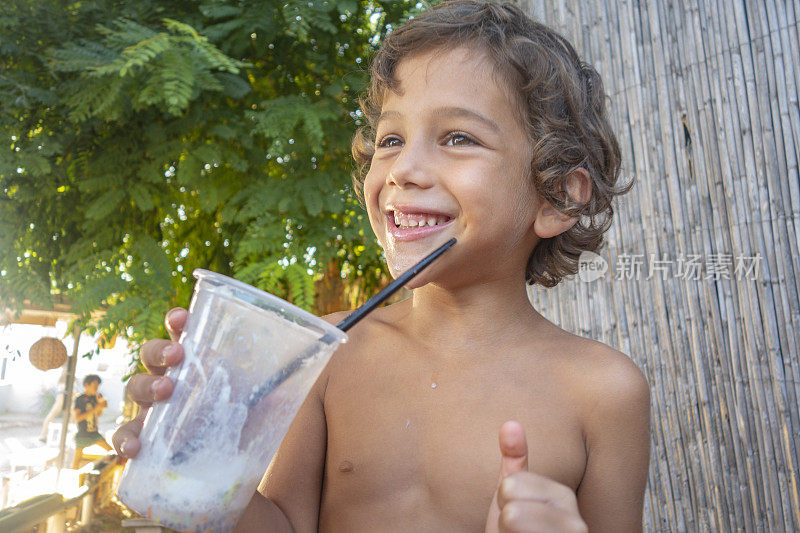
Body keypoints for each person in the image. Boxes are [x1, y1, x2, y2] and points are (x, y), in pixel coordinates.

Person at [113, 1, 651, 531]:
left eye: (458, 138)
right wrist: (188, 460)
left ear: (557, 197)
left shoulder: (603, 391)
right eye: (390, 140)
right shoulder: (326, 353)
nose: (404, 169)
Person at [72, 374, 112, 468]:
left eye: (98, 386)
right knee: (76, 463)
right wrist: (95, 409)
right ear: (86, 385)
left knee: (112, 452)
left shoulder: (96, 397)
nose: (96, 388)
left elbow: (99, 415)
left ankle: (102, 468)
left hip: (94, 433)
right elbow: (78, 418)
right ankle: (72, 478)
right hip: (82, 434)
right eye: (94, 385)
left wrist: (101, 407)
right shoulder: (79, 399)